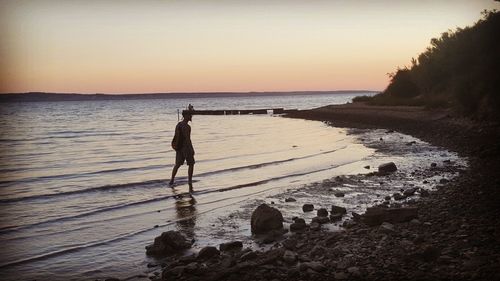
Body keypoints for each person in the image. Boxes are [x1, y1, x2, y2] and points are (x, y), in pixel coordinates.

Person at [169, 111, 195, 192]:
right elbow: (188, 139)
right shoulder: (187, 127)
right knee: (191, 164)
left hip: (179, 148)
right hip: (186, 148)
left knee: (177, 164)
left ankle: (172, 180)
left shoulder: (178, 125)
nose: (191, 116)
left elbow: (176, 136)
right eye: (190, 115)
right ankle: (189, 180)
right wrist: (191, 149)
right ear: (185, 116)